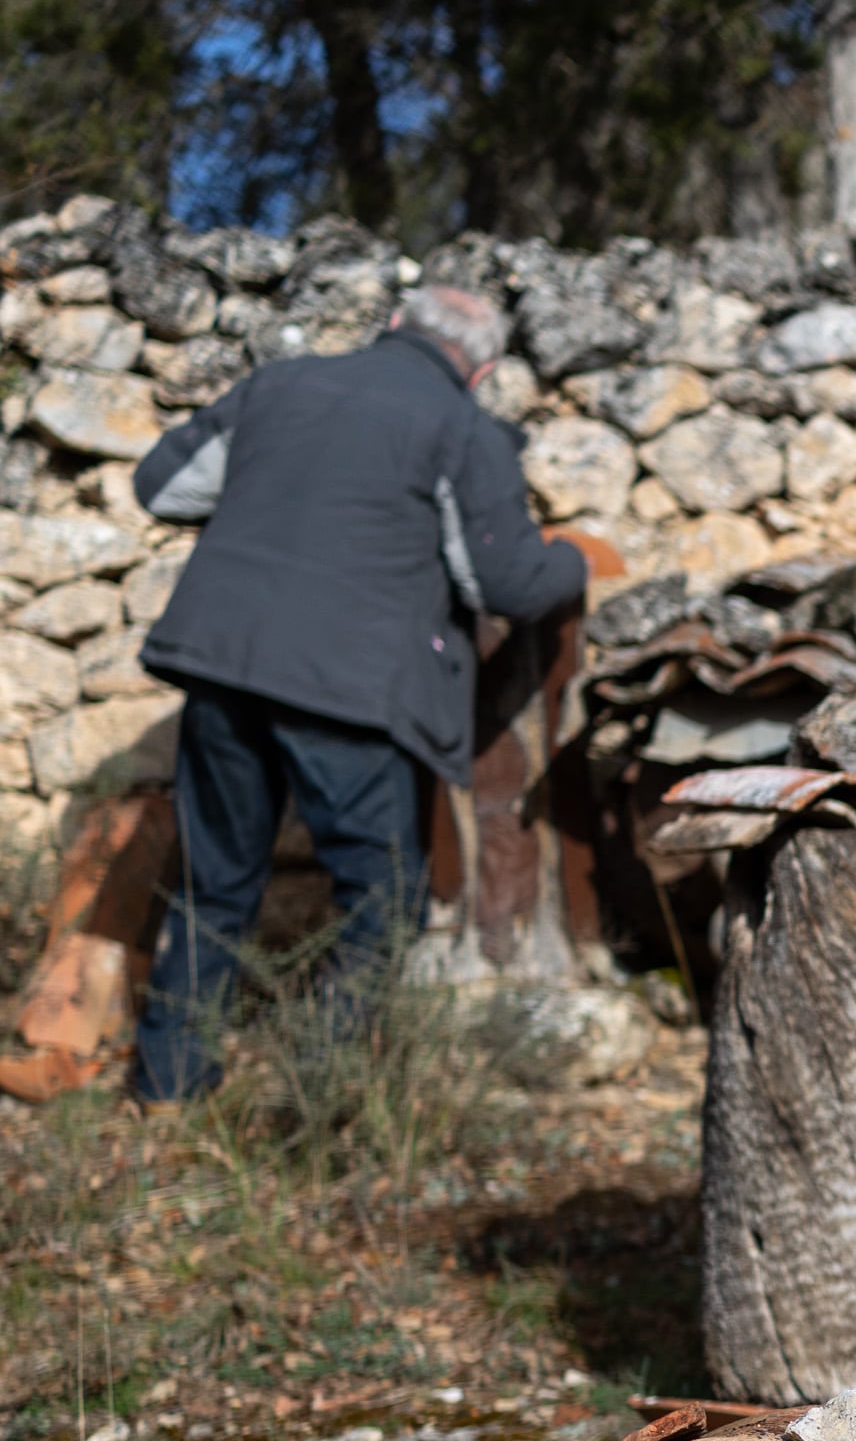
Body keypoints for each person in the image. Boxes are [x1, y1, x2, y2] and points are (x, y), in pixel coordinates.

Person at [122, 282, 594, 1102]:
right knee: (381, 900)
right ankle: (321, 1102)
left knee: (214, 883)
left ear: (391, 326)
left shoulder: (279, 383)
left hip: (224, 659)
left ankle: (166, 1090)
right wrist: (577, 560)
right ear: (479, 373)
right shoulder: (461, 426)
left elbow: (163, 488)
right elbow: (510, 581)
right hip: (350, 685)